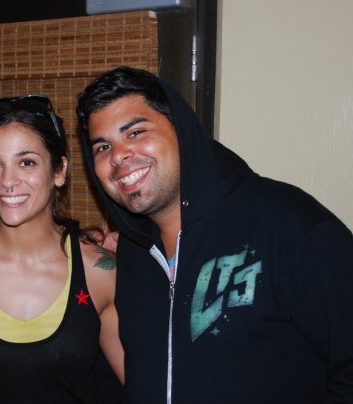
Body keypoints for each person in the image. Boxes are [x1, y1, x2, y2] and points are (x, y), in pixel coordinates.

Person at [76, 66, 353, 403]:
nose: (118, 155)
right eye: (102, 147)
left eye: (135, 132)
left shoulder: (289, 225)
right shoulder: (133, 254)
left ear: (182, 130)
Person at [0, 94, 124, 403]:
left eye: (26, 162)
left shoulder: (99, 271)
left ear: (59, 171)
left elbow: (142, 384)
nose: (7, 181)